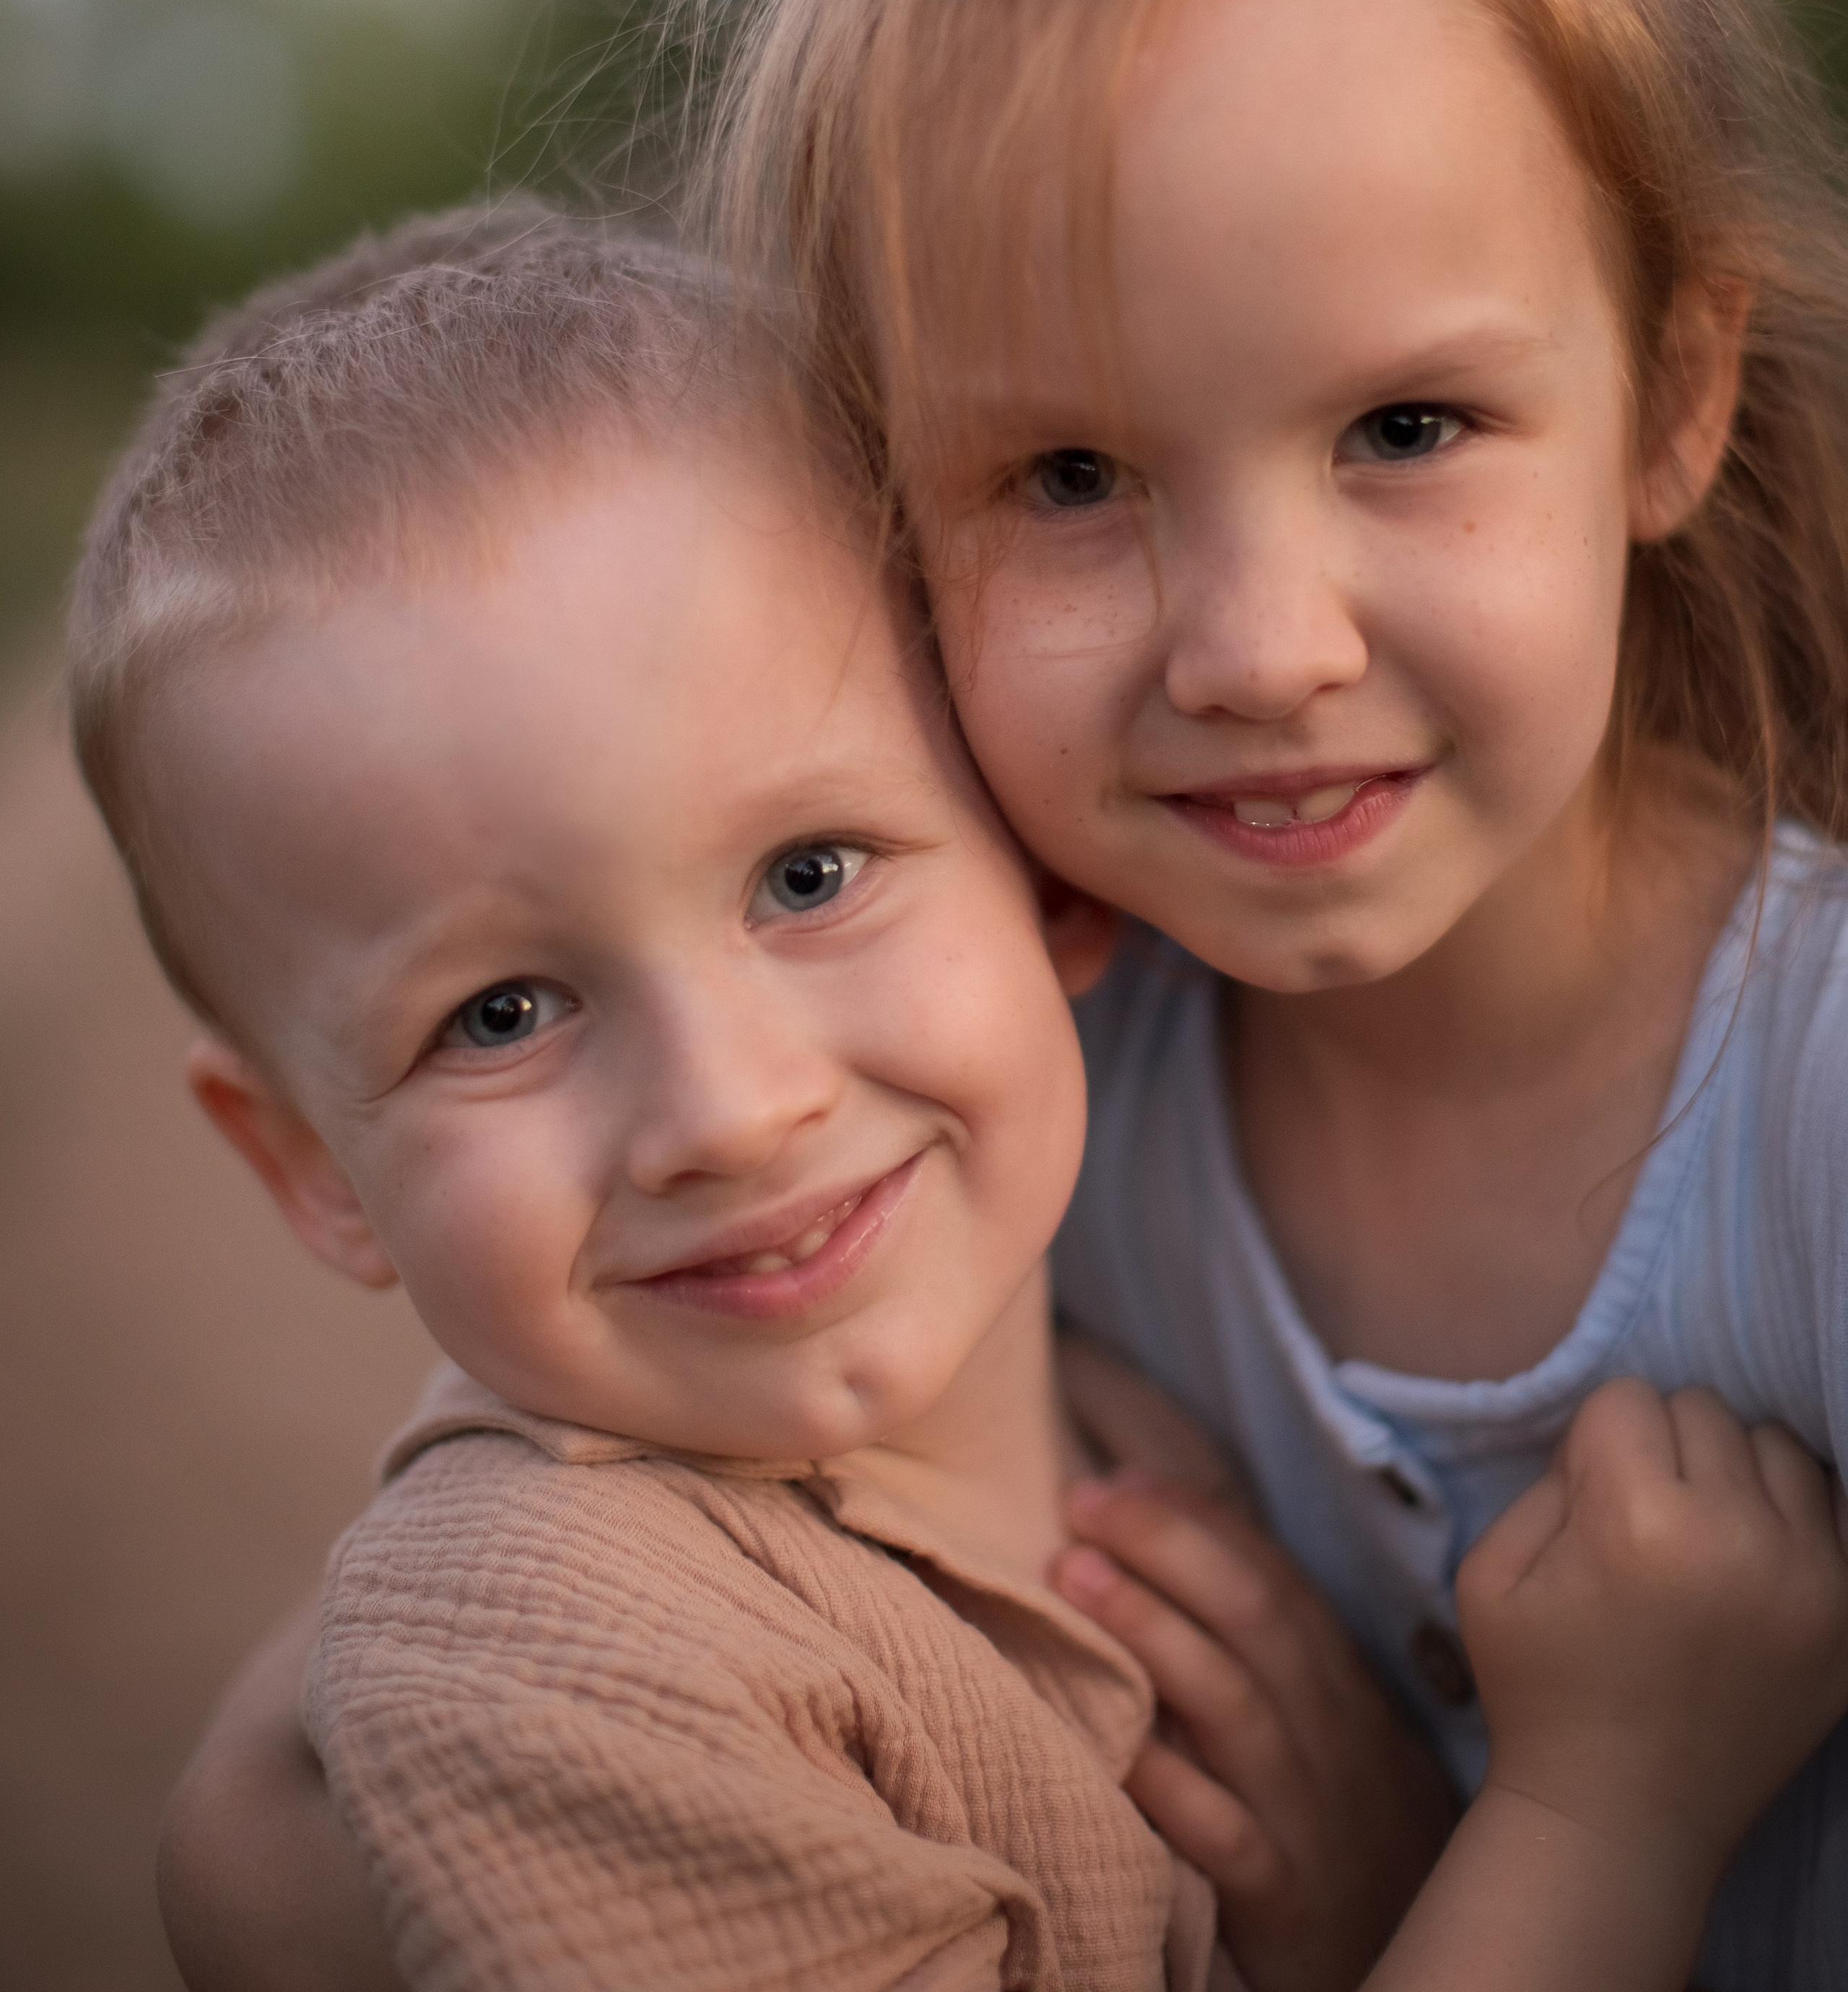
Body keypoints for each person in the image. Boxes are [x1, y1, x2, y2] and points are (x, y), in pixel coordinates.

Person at [75, 206, 1848, 1992]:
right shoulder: (556, 1671)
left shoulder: (1108, 1388)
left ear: (1039, 869)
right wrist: (1595, 1815)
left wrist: (1379, 1894)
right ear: (305, 1163)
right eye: (503, 1011)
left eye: (808, 876)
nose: (731, 1108)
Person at [700, 0, 1848, 1986]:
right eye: (1074, 474)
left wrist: (1581, 1825)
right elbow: (280, 1812)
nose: (1257, 647)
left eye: (1406, 431)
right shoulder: (981, 1123)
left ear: (1671, 391)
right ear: (876, 519)